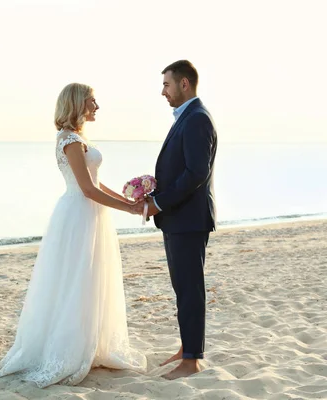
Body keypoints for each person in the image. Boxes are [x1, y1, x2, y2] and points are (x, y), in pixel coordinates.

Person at [0, 83, 146, 387]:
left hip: (90, 212)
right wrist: (128, 210)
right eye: (92, 101)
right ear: (77, 104)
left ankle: (93, 342)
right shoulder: (70, 140)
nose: (97, 106)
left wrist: (128, 200)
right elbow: (87, 189)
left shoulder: (78, 138)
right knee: (77, 279)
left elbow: (96, 183)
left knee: (91, 278)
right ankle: (69, 348)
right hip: (79, 213)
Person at [145, 60, 218, 379]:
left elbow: (196, 174)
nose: (163, 92)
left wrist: (159, 201)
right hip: (178, 219)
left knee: (190, 289)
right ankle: (187, 348)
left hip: (188, 219)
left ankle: (192, 359)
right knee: (183, 288)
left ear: (184, 84)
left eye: (166, 85)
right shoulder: (188, 117)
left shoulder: (197, 119)